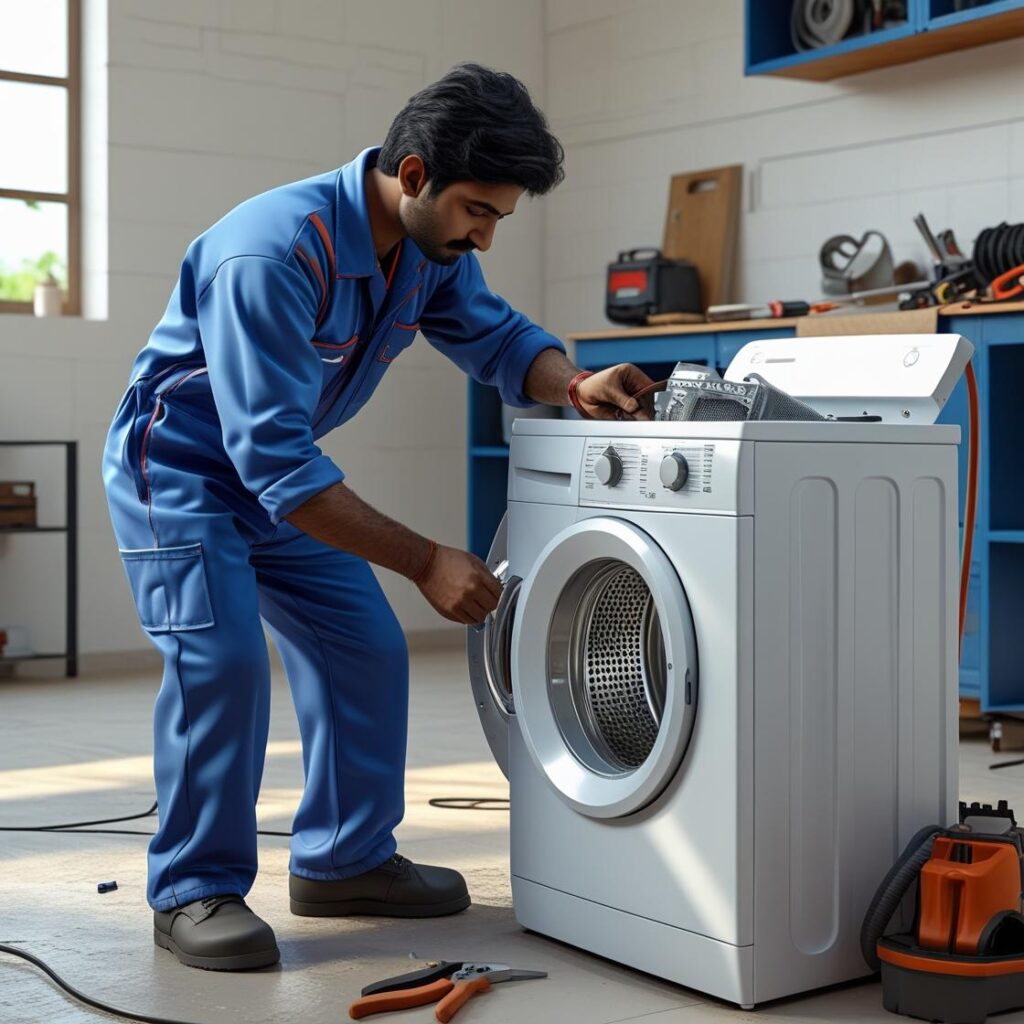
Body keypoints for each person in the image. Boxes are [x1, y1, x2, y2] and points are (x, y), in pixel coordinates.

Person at [102, 62, 653, 971]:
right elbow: (273, 463)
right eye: (478, 211)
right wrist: (427, 558)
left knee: (362, 641)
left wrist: (573, 383)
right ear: (411, 176)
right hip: (182, 469)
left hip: (279, 473)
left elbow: (500, 337)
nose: (484, 236)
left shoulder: (424, 251)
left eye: (498, 219)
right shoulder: (272, 253)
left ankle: (343, 861)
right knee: (222, 657)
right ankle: (193, 889)